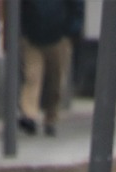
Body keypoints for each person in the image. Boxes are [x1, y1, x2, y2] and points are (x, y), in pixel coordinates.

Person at [17, 0, 84, 136]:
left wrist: (71, 31)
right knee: (31, 77)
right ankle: (30, 115)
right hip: (32, 39)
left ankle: (51, 117)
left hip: (58, 39)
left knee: (56, 82)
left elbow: (77, 6)